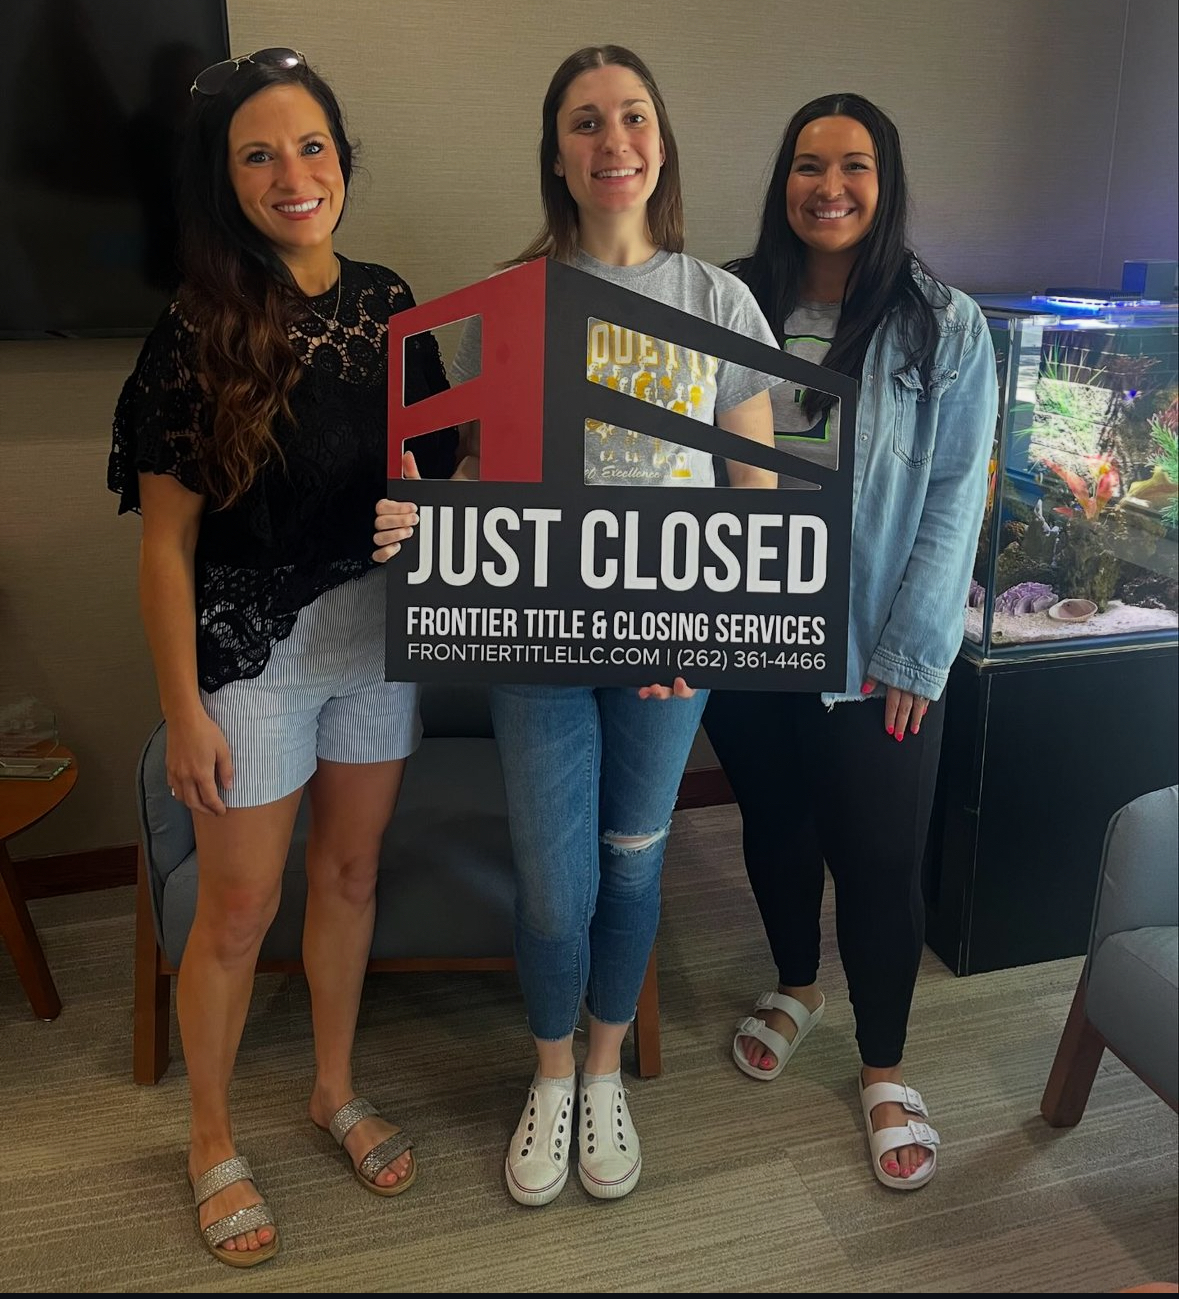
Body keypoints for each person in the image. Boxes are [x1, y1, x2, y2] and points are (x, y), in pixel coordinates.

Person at [374, 44, 780, 1206]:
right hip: (535, 646)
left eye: (634, 116)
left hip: (668, 655)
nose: (615, 142)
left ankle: (605, 1069)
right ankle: (550, 1074)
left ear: (662, 141)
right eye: (587, 122)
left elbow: (755, 501)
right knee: (555, 889)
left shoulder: (718, 302)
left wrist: (707, 631)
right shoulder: (505, 307)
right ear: (556, 155)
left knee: (633, 863)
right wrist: (424, 520)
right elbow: (475, 482)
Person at [108, 49, 454, 1265]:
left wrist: (430, 500)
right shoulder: (195, 329)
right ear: (227, 179)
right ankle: (209, 1137)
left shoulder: (394, 301)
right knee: (240, 908)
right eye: (258, 154)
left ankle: (332, 1088)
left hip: (378, 644)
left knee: (349, 877)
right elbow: (164, 547)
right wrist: (183, 710)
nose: (292, 173)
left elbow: (441, 469)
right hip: (252, 657)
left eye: (311, 146)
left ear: (342, 159)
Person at [702, 92, 997, 1191]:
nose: (829, 187)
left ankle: (883, 1065)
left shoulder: (942, 323)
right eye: (807, 164)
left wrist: (916, 653)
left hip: (874, 645)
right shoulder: (729, 300)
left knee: (877, 859)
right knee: (774, 827)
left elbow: (955, 496)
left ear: (886, 181)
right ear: (782, 179)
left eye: (854, 165)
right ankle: (796, 984)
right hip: (748, 634)